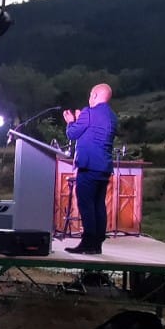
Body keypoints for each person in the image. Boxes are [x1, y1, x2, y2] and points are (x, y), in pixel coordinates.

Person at [64, 83, 118, 255]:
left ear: (94, 95)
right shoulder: (112, 116)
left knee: (86, 204)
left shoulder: (89, 112)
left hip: (89, 166)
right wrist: (82, 120)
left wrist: (72, 121)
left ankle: (88, 242)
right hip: (104, 167)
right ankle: (97, 243)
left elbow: (72, 134)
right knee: (98, 205)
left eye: (90, 95)